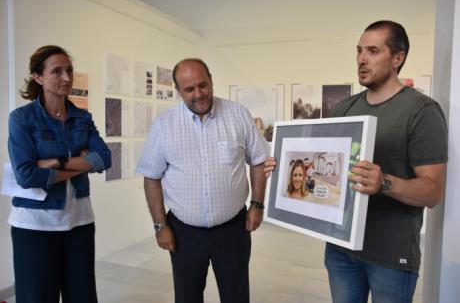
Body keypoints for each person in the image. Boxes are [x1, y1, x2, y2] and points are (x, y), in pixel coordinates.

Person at [264, 20, 447, 303]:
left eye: (373, 51)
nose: (362, 59)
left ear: (398, 58)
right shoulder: (344, 108)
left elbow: (433, 191)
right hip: (341, 249)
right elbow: (325, 170)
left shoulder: (421, 111)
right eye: (359, 50)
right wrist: (283, 170)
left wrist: (384, 182)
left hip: (390, 254)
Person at [136, 58, 268, 303]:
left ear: (211, 80)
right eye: (189, 89)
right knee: (187, 297)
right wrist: (160, 225)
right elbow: (151, 178)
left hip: (233, 229)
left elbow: (259, 161)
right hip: (184, 233)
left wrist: (257, 205)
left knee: (236, 295)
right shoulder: (164, 125)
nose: (198, 94)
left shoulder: (238, 114)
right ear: (178, 91)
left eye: (203, 85)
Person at [8, 45, 111, 303]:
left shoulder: (82, 118)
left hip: (79, 222)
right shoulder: (22, 119)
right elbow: (27, 175)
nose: (66, 78)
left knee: (82, 296)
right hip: (34, 225)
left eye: (69, 70)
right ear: (38, 77)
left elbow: (104, 158)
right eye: (57, 71)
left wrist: (57, 162)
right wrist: (83, 161)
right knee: (37, 297)